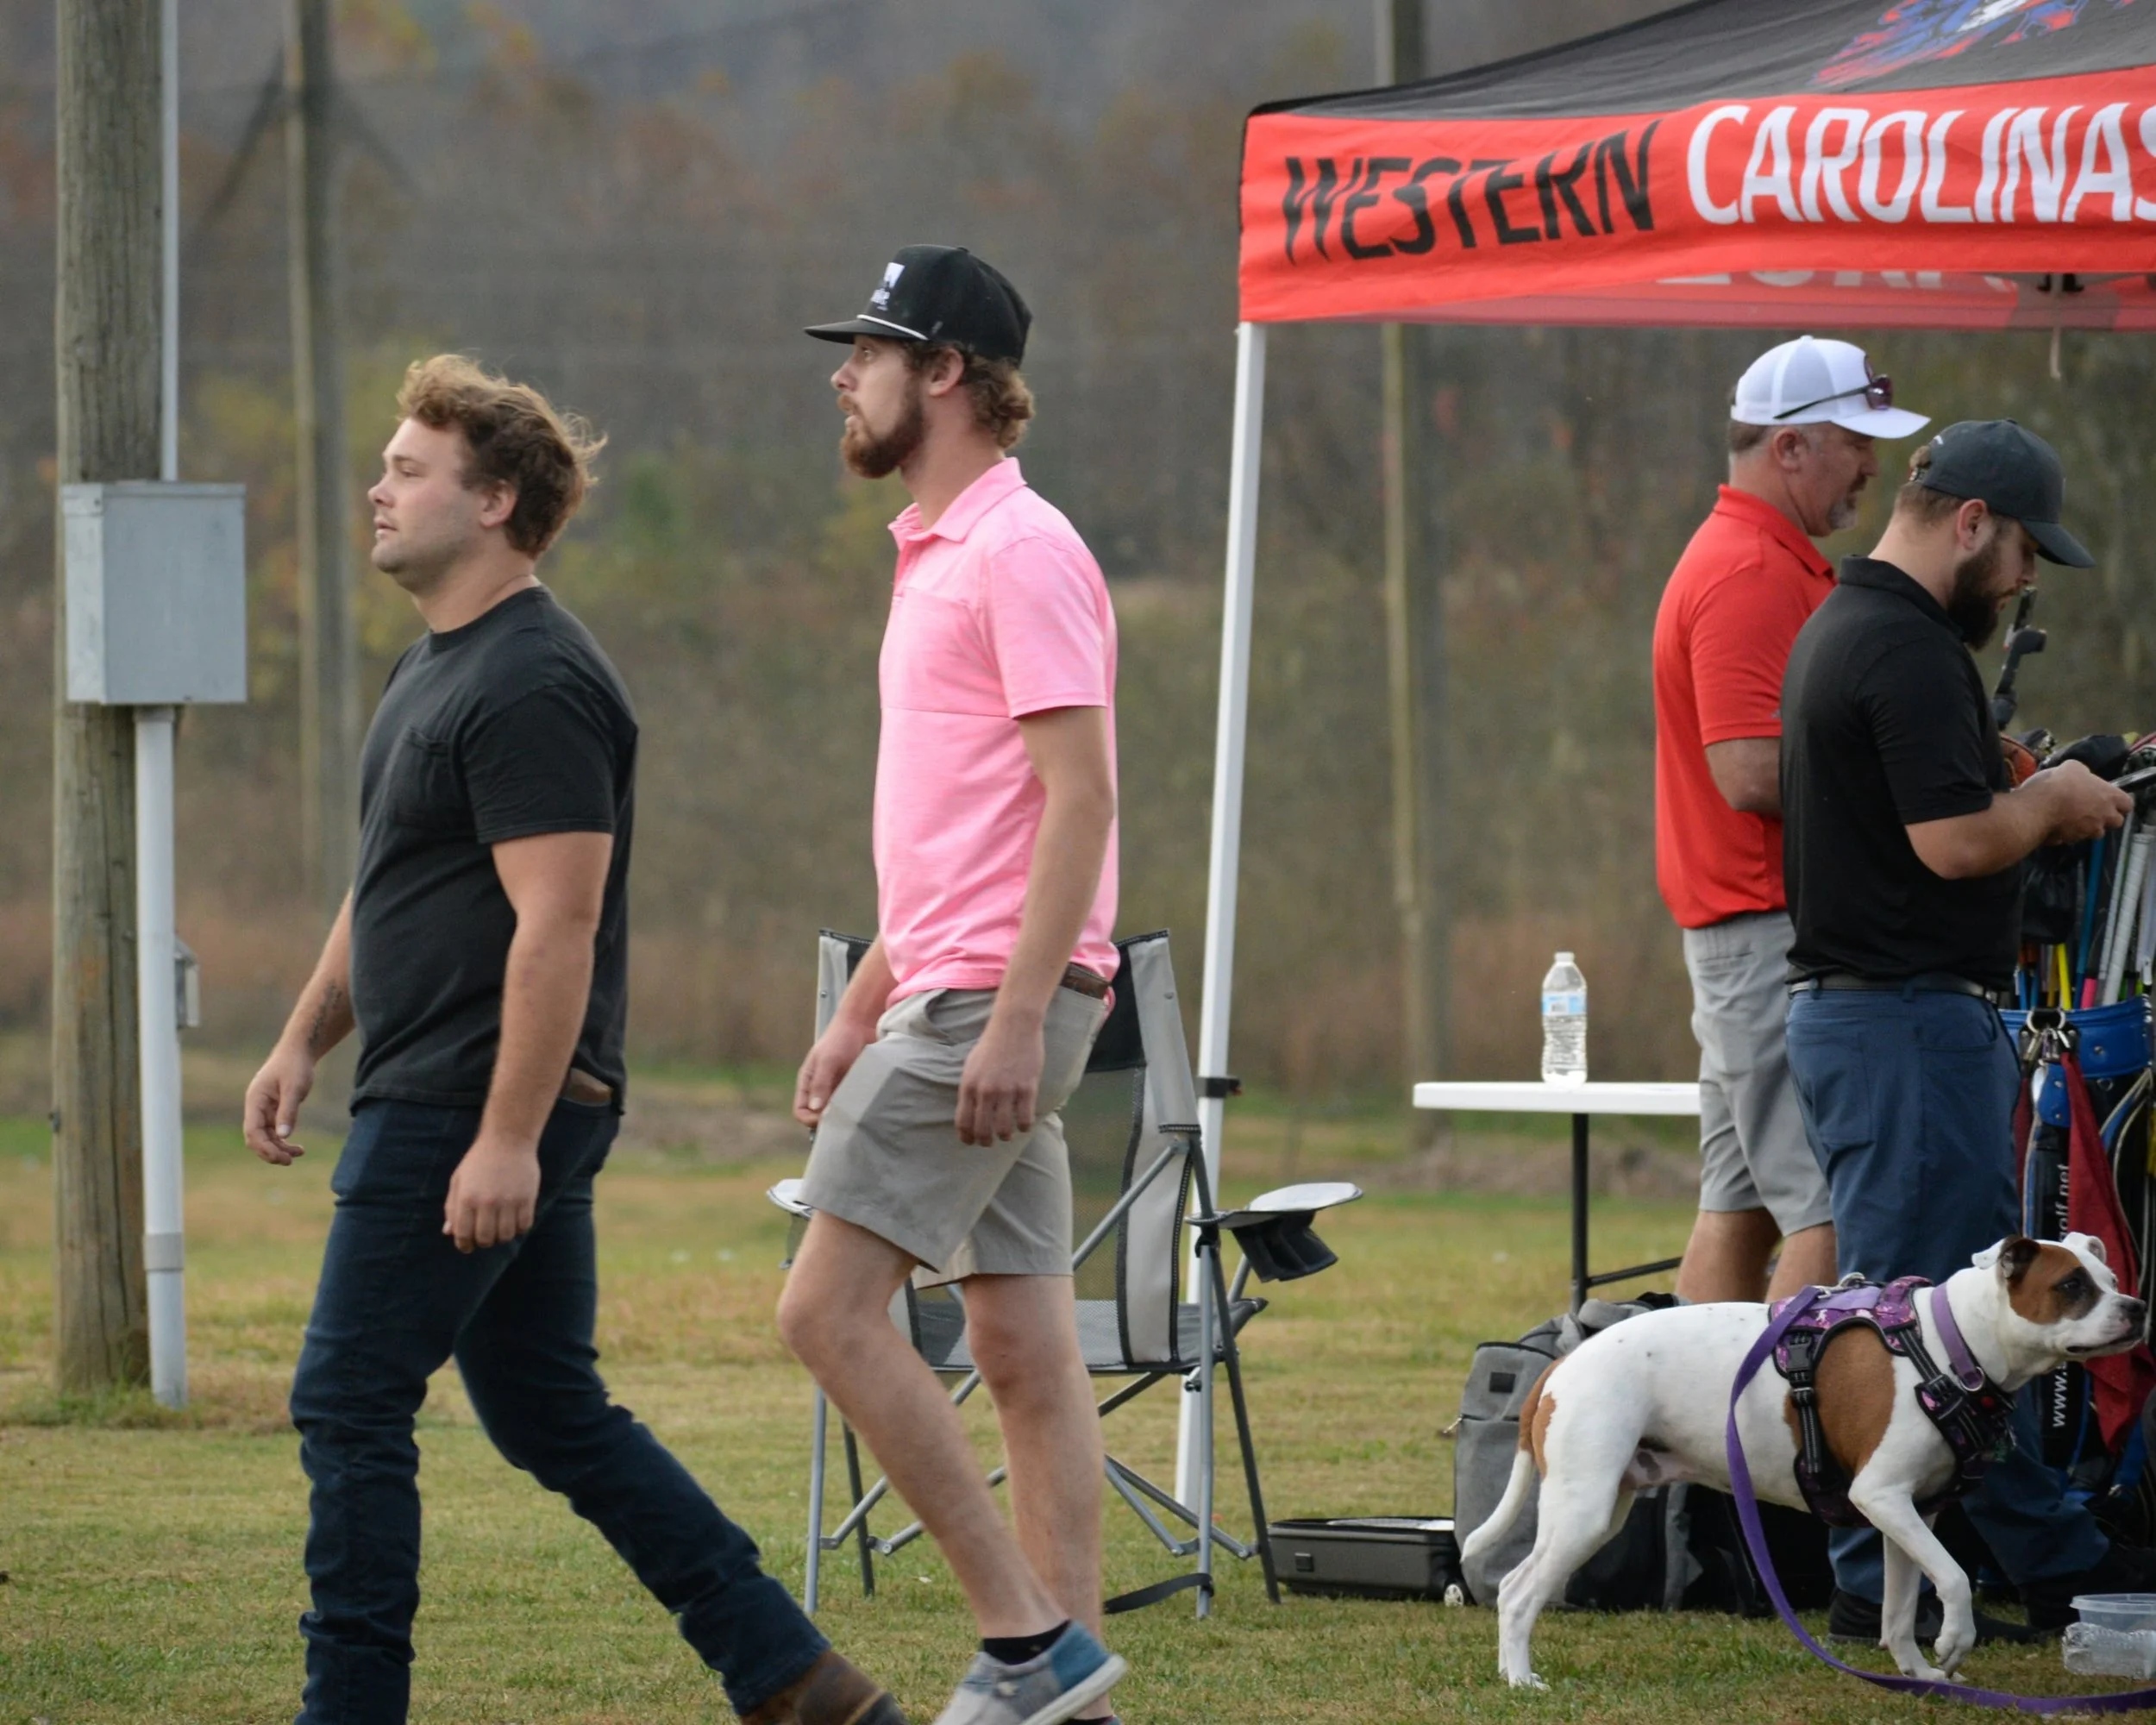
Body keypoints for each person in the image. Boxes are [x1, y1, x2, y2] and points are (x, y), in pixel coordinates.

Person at [243, 355, 903, 1725]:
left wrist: (506, 1138)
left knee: (348, 1400)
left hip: (469, 1104)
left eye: (409, 469)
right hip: (445, 1091)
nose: (377, 489)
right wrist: (304, 1038)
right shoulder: (436, 667)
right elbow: (391, 884)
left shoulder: (535, 680)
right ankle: (796, 1680)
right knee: (548, 1410)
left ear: (493, 502)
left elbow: (560, 923)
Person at [777, 246, 1127, 1725]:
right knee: (1024, 1353)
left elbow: (1081, 799)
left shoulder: (1019, 550)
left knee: (827, 1314)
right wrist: (863, 1003)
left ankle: (1030, 1647)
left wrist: (1021, 1015)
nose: (842, 376)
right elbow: (959, 835)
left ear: (946, 374)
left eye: (868, 350)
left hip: (996, 1005)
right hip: (955, 992)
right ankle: (1078, 1696)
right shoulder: (935, 550)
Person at [1779, 417, 2152, 1637]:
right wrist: (2050, 800)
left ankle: (2021, 1556)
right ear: (1973, 522)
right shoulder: (1908, 646)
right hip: (1903, 1023)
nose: (2027, 576)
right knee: (1914, 1320)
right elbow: (1950, 843)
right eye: (2026, 551)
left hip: (1874, 1019)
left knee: (1931, 1315)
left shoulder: (1847, 625)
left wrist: (2006, 776)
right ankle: (1896, 1577)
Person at [1654, 336, 1927, 1305]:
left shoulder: (1763, 558)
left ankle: (1693, 1407)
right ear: (1790, 446)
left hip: (1748, 930)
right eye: (1855, 441)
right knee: (1827, 1209)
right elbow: (1747, 771)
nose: (1871, 466)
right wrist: (1917, 787)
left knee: (1740, 1208)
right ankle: (1790, 1407)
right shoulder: (1749, 572)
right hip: (1767, 930)